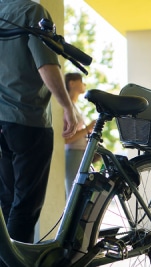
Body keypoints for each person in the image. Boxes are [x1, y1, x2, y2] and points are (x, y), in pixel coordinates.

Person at [0, 0, 78, 246]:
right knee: (26, 204)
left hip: (2, 122)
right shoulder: (33, 11)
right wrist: (67, 106)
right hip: (28, 121)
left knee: (7, 200)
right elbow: (46, 64)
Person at [64, 73, 96, 198]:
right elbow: (66, 139)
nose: (84, 84)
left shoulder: (74, 107)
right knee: (74, 193)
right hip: (73, 153)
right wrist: (88, 128)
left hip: (80, 153)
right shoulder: (67, 107)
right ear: (72, 83)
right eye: (81, 81)